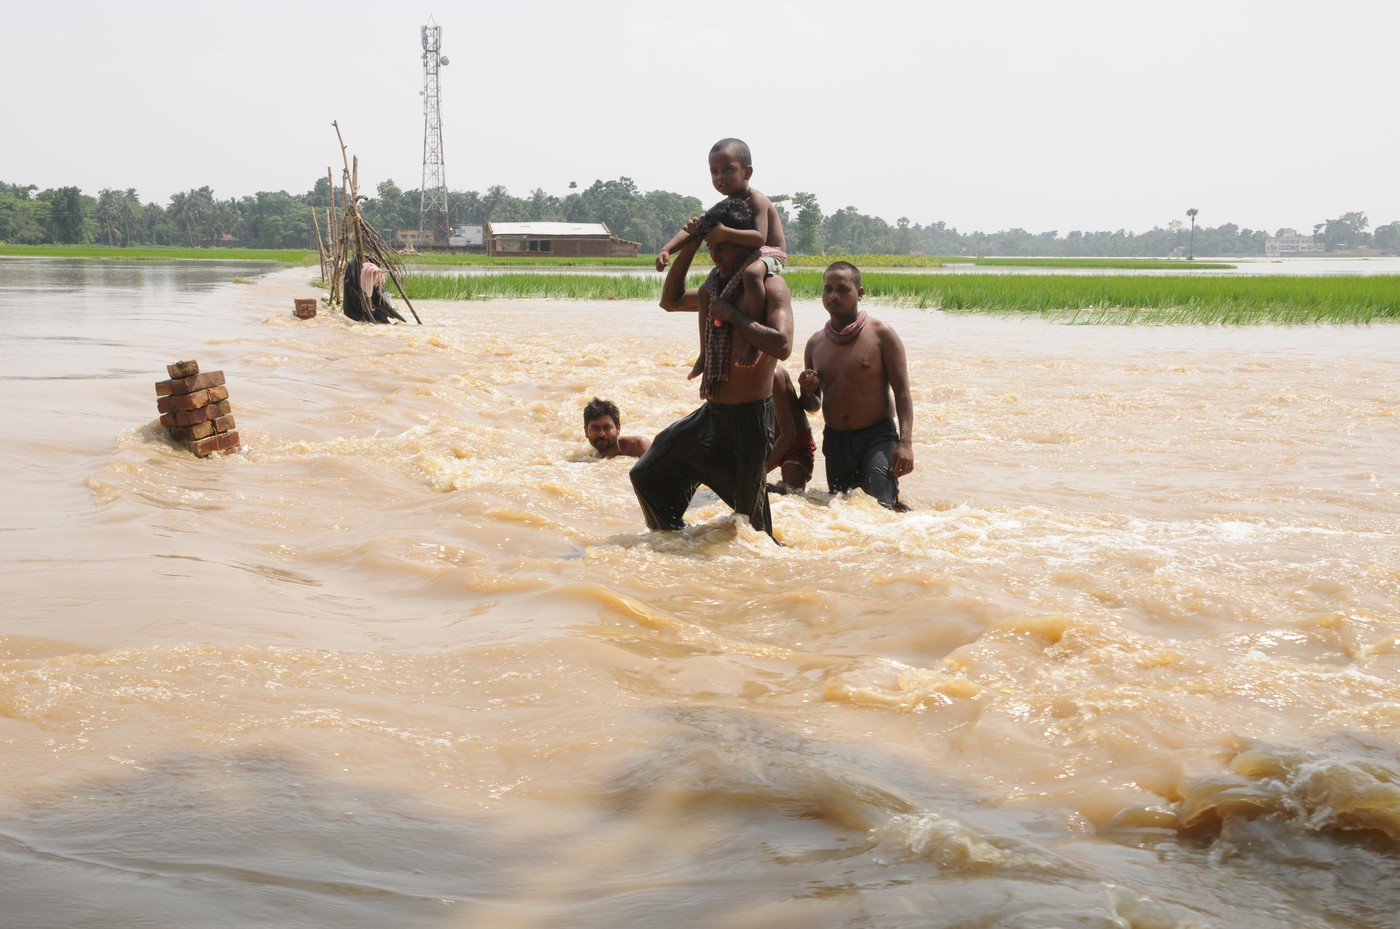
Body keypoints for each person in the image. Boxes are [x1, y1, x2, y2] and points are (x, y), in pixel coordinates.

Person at [630, 205, 794, 540]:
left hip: (750, 423)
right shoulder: (714, 289)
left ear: (747, 247)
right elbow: (670, 300)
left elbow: (782, 345)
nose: (716, 256)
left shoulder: (771, 287)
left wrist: (734, 316)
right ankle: (677, 543)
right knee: (646, 472)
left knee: (752, 531)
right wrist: (688, 247)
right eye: (712, 249)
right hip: (713, 416)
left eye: (724, 247)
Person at [656, 138, 787, 372]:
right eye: (714, 172)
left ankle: (753, 343)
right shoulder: (724, 207)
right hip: (749, 256)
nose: (720, 177)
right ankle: (705, 352)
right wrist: (667, 249)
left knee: (752, 274)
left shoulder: (757, 199)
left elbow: (758, 237)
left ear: (747, 172)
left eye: (728, 170)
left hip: (768, 253)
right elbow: (694, 229)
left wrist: (724, 232)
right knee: (707, 291)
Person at [799, 261, 914, 510]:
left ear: (859, 293)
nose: (833, 296)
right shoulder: (815, 343)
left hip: (877, 438)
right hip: (836, 442)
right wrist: (807, 391)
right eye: (828, 289)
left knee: (877, 511)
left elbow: (903, 391)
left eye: (842, 289)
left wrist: (905, 444)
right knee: (843, 513)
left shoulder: (882, 334)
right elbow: (813, 406)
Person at [766, 364, 814, 494]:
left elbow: (788, 434)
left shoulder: (775, 374)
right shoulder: (740, 374)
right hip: (766, 439)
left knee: (793, 494)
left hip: (794, 441)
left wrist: (760, 474)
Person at [583, 397, 651, 459]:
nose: (602, 434)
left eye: (607, 428)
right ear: (586, 432)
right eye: (595, 428)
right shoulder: (587, 457)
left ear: (618, 429)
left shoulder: (639, 447)